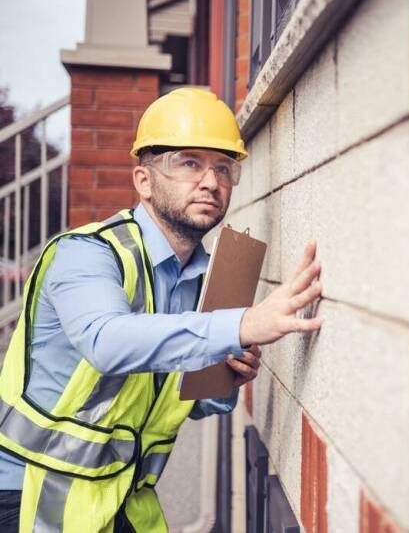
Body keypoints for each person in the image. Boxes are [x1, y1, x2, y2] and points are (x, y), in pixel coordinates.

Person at [0, 87, 323, 531]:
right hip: (33, 495)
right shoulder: (86, 254)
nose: (211, 181)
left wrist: (226, 374)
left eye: (223, 168)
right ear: (144, 181)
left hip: (122, 496)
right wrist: (242, 324)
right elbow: (107, 343)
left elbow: (174, 398)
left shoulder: (205, 277)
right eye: (189, 162)